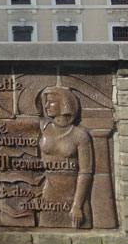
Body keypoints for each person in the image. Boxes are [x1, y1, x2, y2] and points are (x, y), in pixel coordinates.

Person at [37, 86, 94, 228]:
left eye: (51, 102)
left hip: (74, 197)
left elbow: (85, 172)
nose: (46, 106)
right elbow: (4, 121)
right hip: (49, 194)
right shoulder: (43, 127)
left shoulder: (80, 135)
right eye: (45, 102)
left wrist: (77, 205)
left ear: (64, 104)